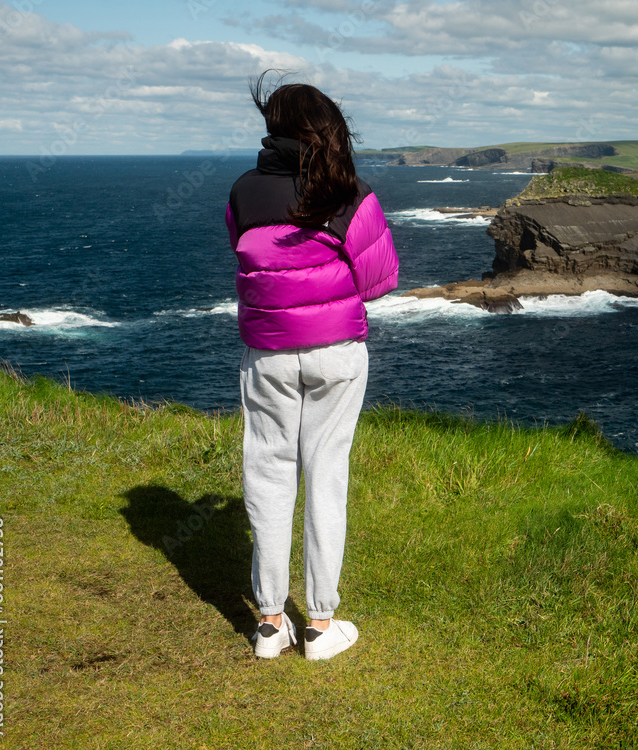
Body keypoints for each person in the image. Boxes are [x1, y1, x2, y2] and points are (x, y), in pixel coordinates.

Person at [225, 72, 399, 660]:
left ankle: (271, 624)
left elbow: (249, 260)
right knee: (326, 476)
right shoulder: (352, 193)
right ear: (327, 129)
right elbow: (380, 280)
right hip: (336, 354)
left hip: (267, 354)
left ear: (273, 127)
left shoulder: (242, 192)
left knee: (268, 476)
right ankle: (322, 626)